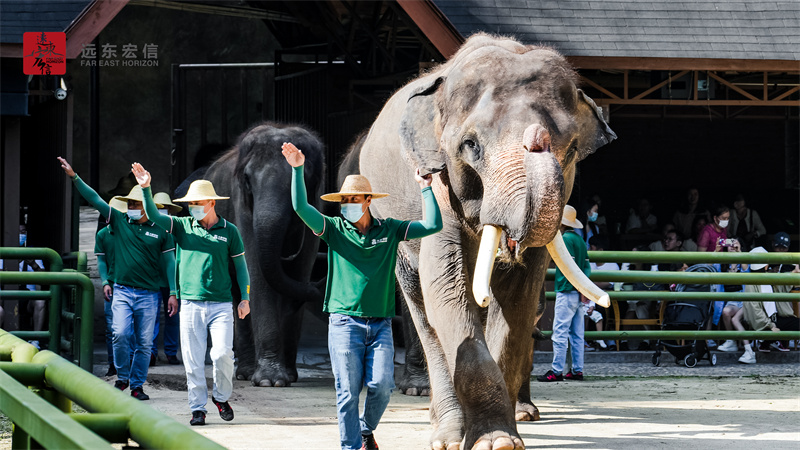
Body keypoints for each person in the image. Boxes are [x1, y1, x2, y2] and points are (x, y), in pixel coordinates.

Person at [281, 141, 442, 450]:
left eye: (354, 199)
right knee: (347, 392)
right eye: (345, 201)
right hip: (344, 325)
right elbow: (301, 208)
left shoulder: (389, 229)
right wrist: (297, 169)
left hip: (380, 326)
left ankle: (366, 429)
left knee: (382, 386)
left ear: (368, 201)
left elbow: (433, 224)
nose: (349, 205)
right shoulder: (333, 228)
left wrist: (425, 188)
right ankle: (350, 446)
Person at [131, 163, 251, 427]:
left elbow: (241, 266)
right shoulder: (182, 226)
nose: (193, 207)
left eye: (198, 202)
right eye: (191, 203)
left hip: (221, 305)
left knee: (222, 355)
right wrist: (146, 188)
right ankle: (198, 409)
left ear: (211, 203)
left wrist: (245, 297)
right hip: (191, 304)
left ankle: (221, 397)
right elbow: (154, 215)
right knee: (193, 361)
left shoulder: (229, 231)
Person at [58, 157, 177, 401]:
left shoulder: (161, 229)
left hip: (149, 294)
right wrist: (74, 176)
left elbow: (169, 262)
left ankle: (137, 385)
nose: (131, 207)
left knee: (144, 343)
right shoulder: (120, 221)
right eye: (129, 203)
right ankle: (122, 378)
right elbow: (94, 200)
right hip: (122, 291)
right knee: (120, 334)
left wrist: (173, 292)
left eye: (135, 203)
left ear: (145, 205)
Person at [538, 205, 591, 382]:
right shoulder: (580, 240)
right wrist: (583, 289)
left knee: (560, 332)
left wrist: (575, 286)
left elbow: (570, 267)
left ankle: (556, 370)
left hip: (567, 290)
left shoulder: (565, 239)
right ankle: (577, 370)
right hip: (578, 291)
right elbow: (585, 267)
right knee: (577, 334)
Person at [740, 247, 800, 361]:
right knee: (773, 331)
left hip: (775, 319)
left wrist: (793, 273)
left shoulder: (768, 276)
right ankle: (767, 341)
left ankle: (768, 342)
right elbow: (755, 311)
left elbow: (780, 285)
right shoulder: (751, 283)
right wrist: (771, 326)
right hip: (765, 324)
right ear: (766, 265)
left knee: (796, 323)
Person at [95, 197, 128, 376]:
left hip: (131, 285)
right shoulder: (103, 235)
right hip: (113, 285)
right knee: (112, 328)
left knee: (129, 329)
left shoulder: (132, 233)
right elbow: (101, 260)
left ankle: (128, 365)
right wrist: (105, 281)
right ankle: (112, 364)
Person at [150, 192, 183, 366]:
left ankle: (171, 352)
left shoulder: (177, 230)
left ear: (170, 210)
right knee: (151, 317)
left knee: (173, 317)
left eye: (165, 208)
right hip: (153, 280)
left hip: (173, 282)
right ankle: (151, 353)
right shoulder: (149, 229)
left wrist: (176, 287)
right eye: (158, 208)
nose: (162, 210)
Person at [0, 225, 46, 348]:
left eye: (23, 231)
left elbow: (44, 279)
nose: (21, 234)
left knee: (40, 302)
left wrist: (34, 264)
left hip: (27, 298)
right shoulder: (2, 253)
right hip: (5, 297)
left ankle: (35, 341)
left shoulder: (33, 252)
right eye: (18, 232)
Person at [587, 235, 615, 350]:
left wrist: (591, 283)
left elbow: (608, 283)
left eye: (591, 248)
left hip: (605, 298)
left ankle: (605, 340)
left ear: (600, 251)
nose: (589, 251)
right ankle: (591, 340)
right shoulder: (589, 263)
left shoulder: (612, 265)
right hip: (588, 298)